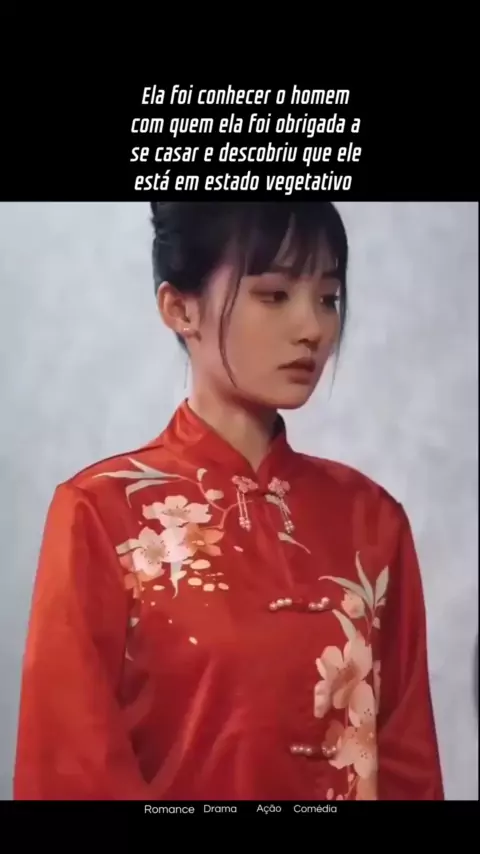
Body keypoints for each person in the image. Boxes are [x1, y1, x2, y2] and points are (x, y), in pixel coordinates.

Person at [13, 202, 444, 801]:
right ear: (180, 308)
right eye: (274, 295)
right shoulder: (101, 513)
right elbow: (70, 772)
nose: (312, 328)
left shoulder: (372, 521)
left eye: (328, 298)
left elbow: (409, 771)